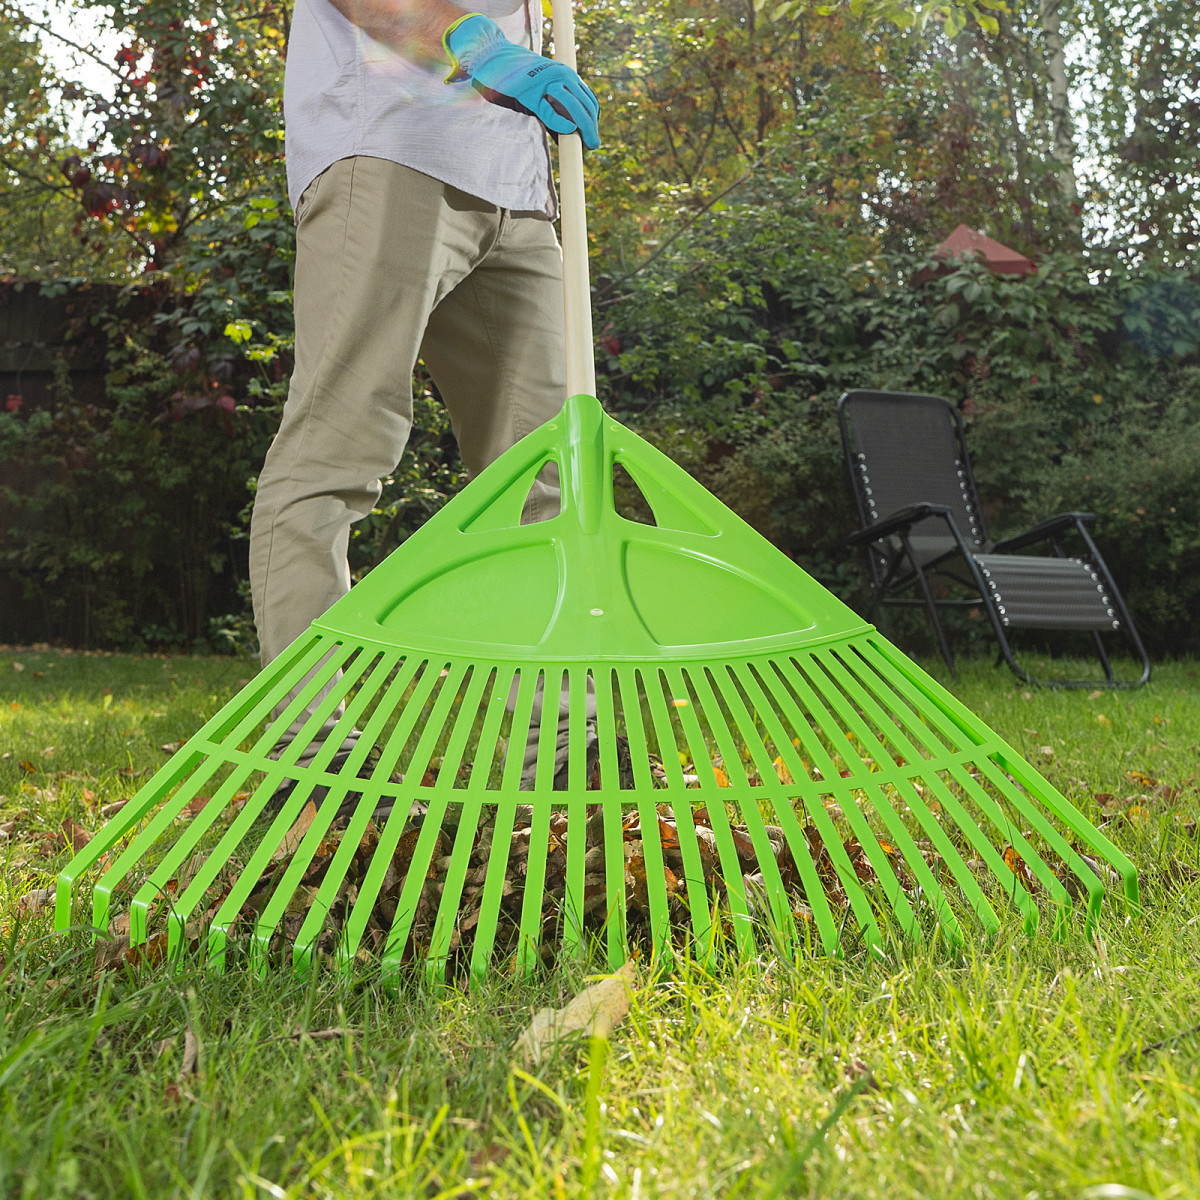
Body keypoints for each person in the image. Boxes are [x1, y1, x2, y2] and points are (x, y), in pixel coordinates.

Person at [248, 0, 600, 805]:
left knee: (546, 478)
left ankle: (560, 753)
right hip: (389, 147)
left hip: (516, 183)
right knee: (336, 450)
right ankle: (312, 750)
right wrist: (475, 45)